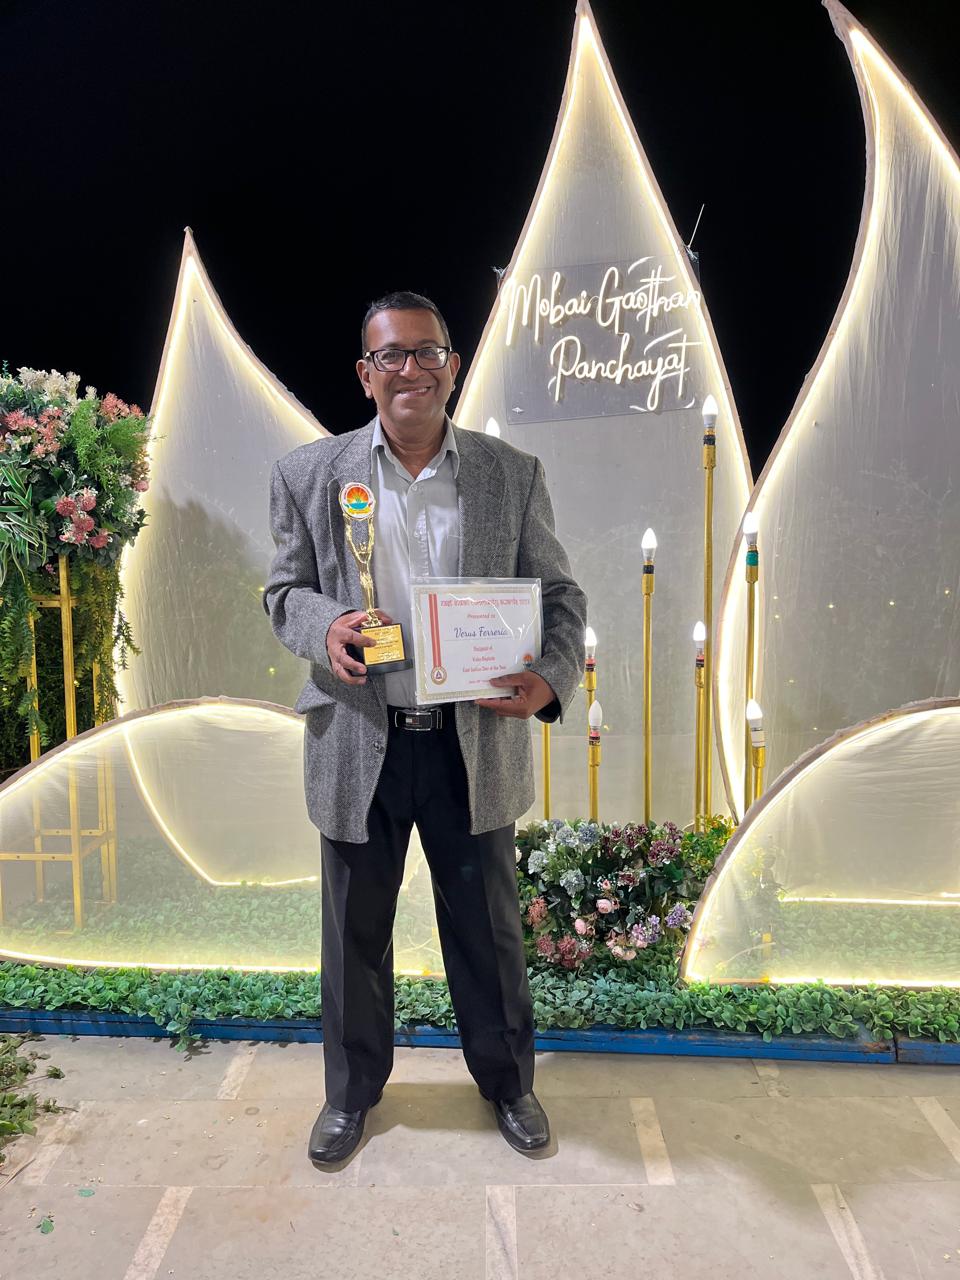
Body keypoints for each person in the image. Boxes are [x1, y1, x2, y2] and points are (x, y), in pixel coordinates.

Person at [263, 290, 586, 1166]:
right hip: (357, 739)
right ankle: (350, 1097)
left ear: (453, 364)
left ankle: (508, 1085)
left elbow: (560, 594)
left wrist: (549, 679)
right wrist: (326, 626)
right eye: (391, 356)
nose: (411, 369)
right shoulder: (309, 475)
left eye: (427, 351)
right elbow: (284, 592)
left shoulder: (510, 473)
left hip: (468, 743)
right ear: (365, 374)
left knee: (487, 929)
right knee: (353, 935)